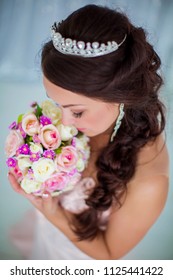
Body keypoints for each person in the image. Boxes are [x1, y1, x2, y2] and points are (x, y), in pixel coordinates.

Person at [8, 4, 169, 260]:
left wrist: (52, 211)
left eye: (78, 112)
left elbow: (108, 253)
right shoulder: (90, 121)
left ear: (122, 98)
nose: (63, 122)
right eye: (56, 103)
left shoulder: (150, 181)